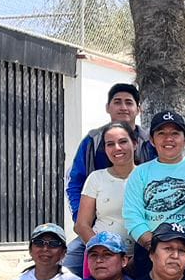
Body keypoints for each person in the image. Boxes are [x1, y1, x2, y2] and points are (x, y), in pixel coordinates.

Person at [122, 109, 185, 279]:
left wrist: (181, 249)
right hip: (149, 250)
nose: (168, 139)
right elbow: (132, 215)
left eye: (175, 133)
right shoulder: (140, 173)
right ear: (152, 140)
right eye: (161, 133)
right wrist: (154, 246)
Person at [65, 82, 154, 232]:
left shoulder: (150, 143)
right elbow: (75, 181)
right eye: (117, 102)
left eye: (129, 102)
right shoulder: (93, 141)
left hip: (145, 227)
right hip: (99, 228)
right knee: (73, 249)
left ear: (138, 109)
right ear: (107, 107)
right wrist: (82, 220)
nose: (123, 107)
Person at [66, 120, 139, 274]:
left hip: (141, 260)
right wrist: (104, 253)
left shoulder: (147, 176)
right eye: (110, 144)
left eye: (123, 142)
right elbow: (82, 225)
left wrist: (139, 256)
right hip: (102, 261)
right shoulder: (96, 178)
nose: (117, 148)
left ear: (135, 144)